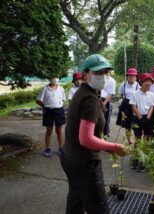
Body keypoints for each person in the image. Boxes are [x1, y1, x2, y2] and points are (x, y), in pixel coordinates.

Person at [60, 54, 127, 214]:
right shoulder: (89, 98)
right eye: (98, 73)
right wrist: (114, 146)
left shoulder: (83, 92)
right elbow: (86, 139)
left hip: (70, 158)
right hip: (84, 164)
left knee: (76, 201)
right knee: (98, 207)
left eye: (106, 72)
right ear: (85, 75)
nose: (104, 76)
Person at [129, 73, 154, 172]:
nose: (149, 83)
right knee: (137, 139)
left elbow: (152, 107)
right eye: (146, 81)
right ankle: (136, 158)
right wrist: (140, 117)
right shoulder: (135, 93)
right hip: (138, 118)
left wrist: (148, 117)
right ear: (141, 82)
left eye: (150, 81)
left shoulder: (152, 94)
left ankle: (143, 160)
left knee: (146, 139)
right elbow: (133, 106)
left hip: (148, 118)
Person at [36, 77, 66, 157]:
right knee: (49, 131)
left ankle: (61, 148)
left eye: (56, 77)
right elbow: (38, 100)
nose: (55, 79)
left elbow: (63, 99)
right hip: (48, 111)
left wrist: (58, 106)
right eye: (53, 77)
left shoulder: (61, 89)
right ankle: (47, 148)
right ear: (49, 79)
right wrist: (45, 106)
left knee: (59, 131)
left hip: (59, 111)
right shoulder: (45, 89)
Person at [116, 68, 140, 144]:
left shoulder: (138, 85)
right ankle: (129, 140)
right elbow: (121, 95)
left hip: (135, 105)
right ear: (127, 76)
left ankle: (136, 139)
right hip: (125, 105)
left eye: (133, 76)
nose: (132, 77)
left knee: (135, 123)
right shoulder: (123, 85)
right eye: (130, 76)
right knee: (127, 124)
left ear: (136, 77)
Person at [101, 69, 116, 137]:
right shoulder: (99, 78)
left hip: (105, 100)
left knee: (106, 119)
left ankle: (105, 134)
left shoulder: (112, 80)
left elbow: (110, 94)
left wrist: (103, 104)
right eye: (104, 71)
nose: (105, 72)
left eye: (107, 71)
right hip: (96, 99)